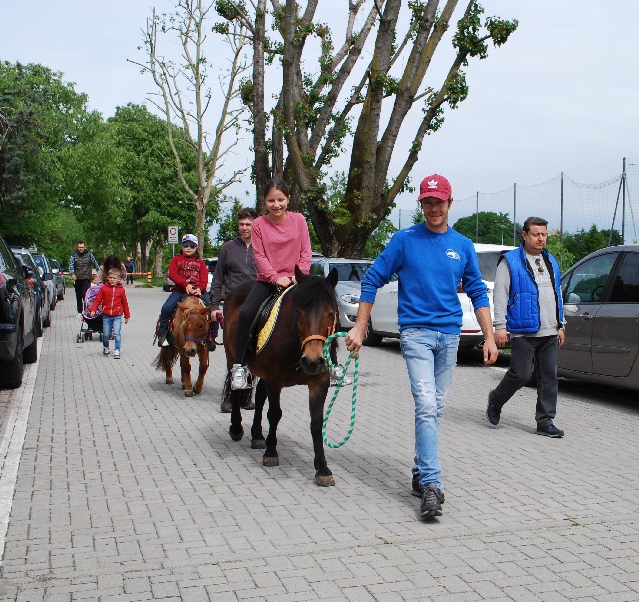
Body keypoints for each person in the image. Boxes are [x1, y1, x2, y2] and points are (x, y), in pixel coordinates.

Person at [345, 173, 498, 520]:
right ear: (421, 204)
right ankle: (431, 484)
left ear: (449, 203)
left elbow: (476, 292)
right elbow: (372, 279)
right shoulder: (404, 240)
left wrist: (489, 336)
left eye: (438, 202)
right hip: (415, 335)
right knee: (427, 405)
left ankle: (419, 469)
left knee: (434, 408)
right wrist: (359, 326)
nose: (433, 208)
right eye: (427, 202)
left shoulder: (462, 245)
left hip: (450, 338)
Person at [486, 216, 566, 438]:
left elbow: (557, 293)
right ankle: (496, 399)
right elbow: (500, 294)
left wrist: (561, 324)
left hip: (550, 330)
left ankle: (545, 421)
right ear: (524, 235)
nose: (541, 238)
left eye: (544, 234)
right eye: (536, 234)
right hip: (523, 329)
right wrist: (500, 326)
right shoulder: (510, 261)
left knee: (549, 376)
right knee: (521, 374)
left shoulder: (550, 260)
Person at [229, 179, 312, 390]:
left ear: (288, 199)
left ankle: (333, 363)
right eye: (271, 200)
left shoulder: (299, 220)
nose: (276, 205)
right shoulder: (258, 225)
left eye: (281, 200)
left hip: (296, 280)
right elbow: (260, 256)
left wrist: (298, 275)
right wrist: (276, 278)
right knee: (246, 313)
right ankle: (239, 366)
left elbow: (305, 251)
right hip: (268, 281)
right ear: (265, 202)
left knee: (323, 307)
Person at [210, 207, 258, 410]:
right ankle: (229, 395)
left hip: (256, 300)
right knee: (233, 350)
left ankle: (247, 395)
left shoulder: (263, 247)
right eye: (241, 224)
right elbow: (218, 279)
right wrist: (214, 305)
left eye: (248, 224)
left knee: (254, 349)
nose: (245, 228)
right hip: (232, 304)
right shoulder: (228, 248)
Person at [155, 234, 210, 347]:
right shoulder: (176, 260)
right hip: (180, 290)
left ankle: (211, 337)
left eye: (192, 245)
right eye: (186, 245)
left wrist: (199, 288)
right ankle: (163, 335)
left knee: (212, 307)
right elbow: (172, 274)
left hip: (198, 291)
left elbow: (204, 278)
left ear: (196, 248)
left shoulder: (201, 263)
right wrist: (185, 285)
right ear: (182, 247)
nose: (189, 248)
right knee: (166, 308)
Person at [88, 268, 130, 359]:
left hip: (117, 316)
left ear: (118, 279)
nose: (112, 280)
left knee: (116, 334)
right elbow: (97, 300)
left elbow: (125, 303)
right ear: (107, 278)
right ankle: (106, 347)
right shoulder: (104, 288)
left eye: (114, 278)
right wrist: (93, 309)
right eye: (110, 277)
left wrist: (127, 316)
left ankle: (117, 350)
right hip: (106, 316)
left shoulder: (121, 290)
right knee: (106, 334)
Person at [68, 241, 99, 314]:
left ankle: (86, 310)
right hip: (77, 278)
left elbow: (95, 263)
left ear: (84, 247)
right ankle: (79, 311)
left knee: (85, 295)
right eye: (79, 247)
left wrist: (99, 272)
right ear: (77, 247)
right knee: (78, 296)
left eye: (82, 247)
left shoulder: (89, 255)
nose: (81, 249)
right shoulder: (73, 256)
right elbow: (71, 266)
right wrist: (72, 274)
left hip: (86, 278)